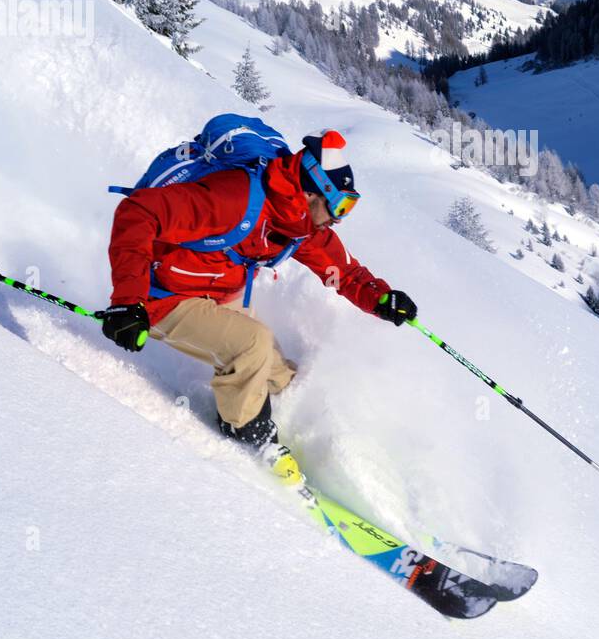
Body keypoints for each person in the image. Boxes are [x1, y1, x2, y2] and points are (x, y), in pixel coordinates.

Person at [101, 129, 416, 468]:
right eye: (339, 205)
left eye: (348, 206)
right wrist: (127, 301)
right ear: (312, 193)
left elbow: (345, 272)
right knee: (253, 344)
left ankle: (291, 431)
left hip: (214, 292)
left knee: (279, 377)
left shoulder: (299, 224)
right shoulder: (234, 199)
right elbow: (139, 213)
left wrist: (381, 298)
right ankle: (250, 439)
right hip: (160, 296)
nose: (339, 217)